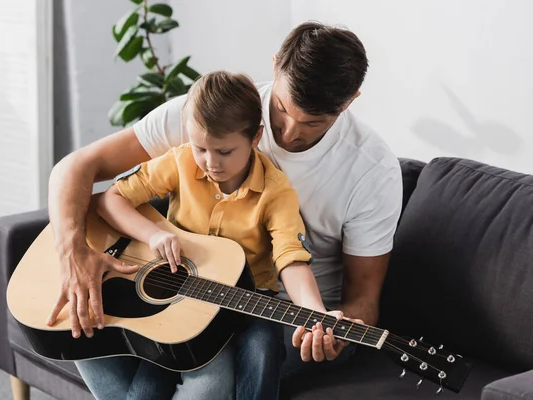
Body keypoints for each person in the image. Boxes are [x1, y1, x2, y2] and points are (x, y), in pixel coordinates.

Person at [46, 20, 402, 396]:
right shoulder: (209, 118)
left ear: (349, 102)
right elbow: (76, 168)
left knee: (212, 383)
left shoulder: (371, 171)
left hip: (283, 314)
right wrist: (73, 251)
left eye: (313, 122)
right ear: (276, 63)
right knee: (79, 322)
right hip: (186, 287)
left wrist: (327, 325)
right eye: (281, 108)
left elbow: (362, 297)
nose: (291, 132)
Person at [86, 70, 331, 400]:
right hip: (177, 294)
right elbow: (110, 199)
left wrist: (315, 312)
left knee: (264, 347)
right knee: (155, 364)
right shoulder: (183, 160)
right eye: (201, 148)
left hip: (247, 300)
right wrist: (154, 234)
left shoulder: (276, 192)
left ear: (255, 137)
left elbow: (291, 258)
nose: (210, 162)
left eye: (224, 152)